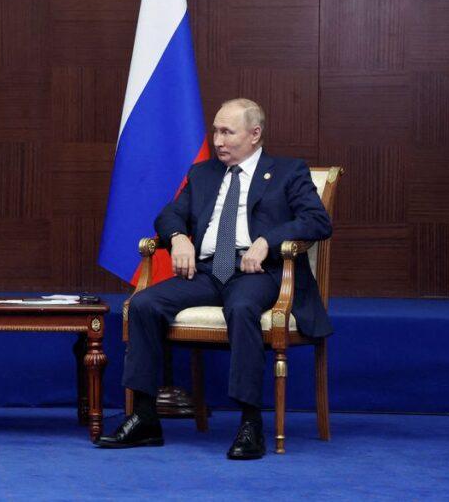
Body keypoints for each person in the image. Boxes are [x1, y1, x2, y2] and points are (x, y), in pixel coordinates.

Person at [96, 98, 332, 459]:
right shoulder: (203, 174)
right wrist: (177, 238)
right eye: (216, 131)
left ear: (255, 134)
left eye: (227, 132)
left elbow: (317, 221)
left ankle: (250, 424)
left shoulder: (288, 172)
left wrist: (267, 241)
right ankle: (144, 418)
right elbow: (169, 215)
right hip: (206, 271)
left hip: (257, 271)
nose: (218, 140)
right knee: (143, 304)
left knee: (241, 307)